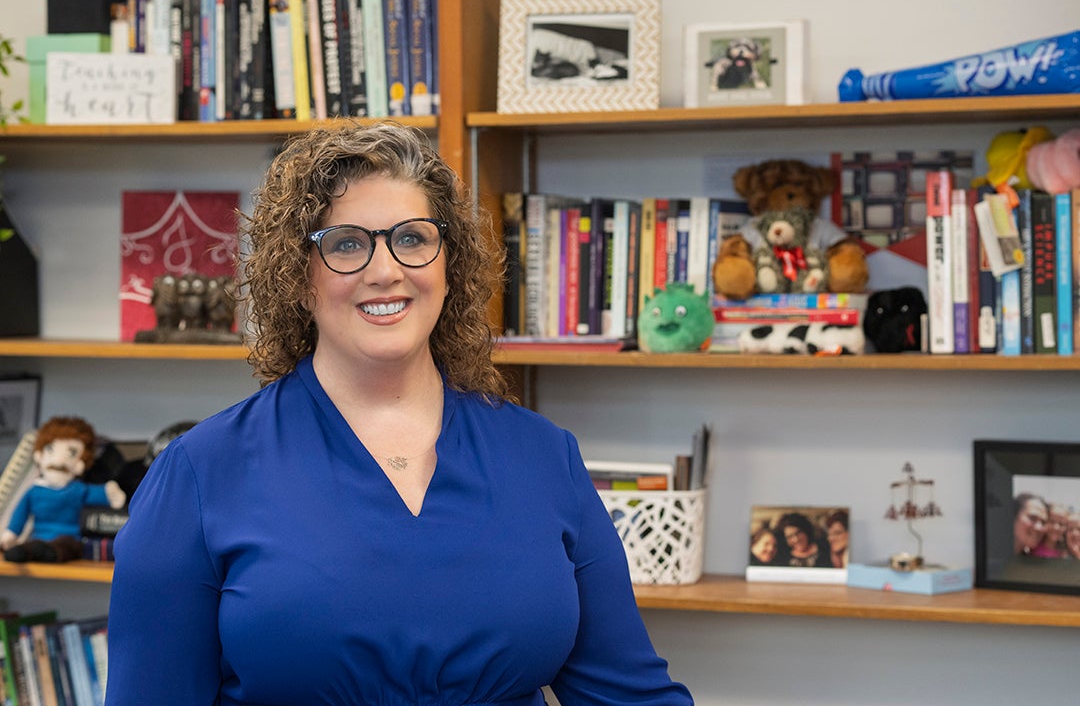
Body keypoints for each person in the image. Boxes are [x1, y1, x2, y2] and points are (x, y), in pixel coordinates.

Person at [105, 123, 693, 706]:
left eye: (411, 239)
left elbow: (631, 695)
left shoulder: (544, 456)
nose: (385, 269)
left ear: (447, 264)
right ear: (297, 277)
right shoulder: (201, 475)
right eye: (346, 243)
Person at [1, 415, 126, 563]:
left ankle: (47, 552)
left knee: (66, 545)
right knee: (32, 546)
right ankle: (26, 551)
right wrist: (11, 534)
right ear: (39, 456)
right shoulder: (34, 491)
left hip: (70, 539)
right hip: (38, 537)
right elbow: (20, 515)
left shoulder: (78, 489)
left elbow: (100, 494)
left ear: (80, 462)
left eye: (71, 452)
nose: (59, 461)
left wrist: (109, 492)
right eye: (50, 449)